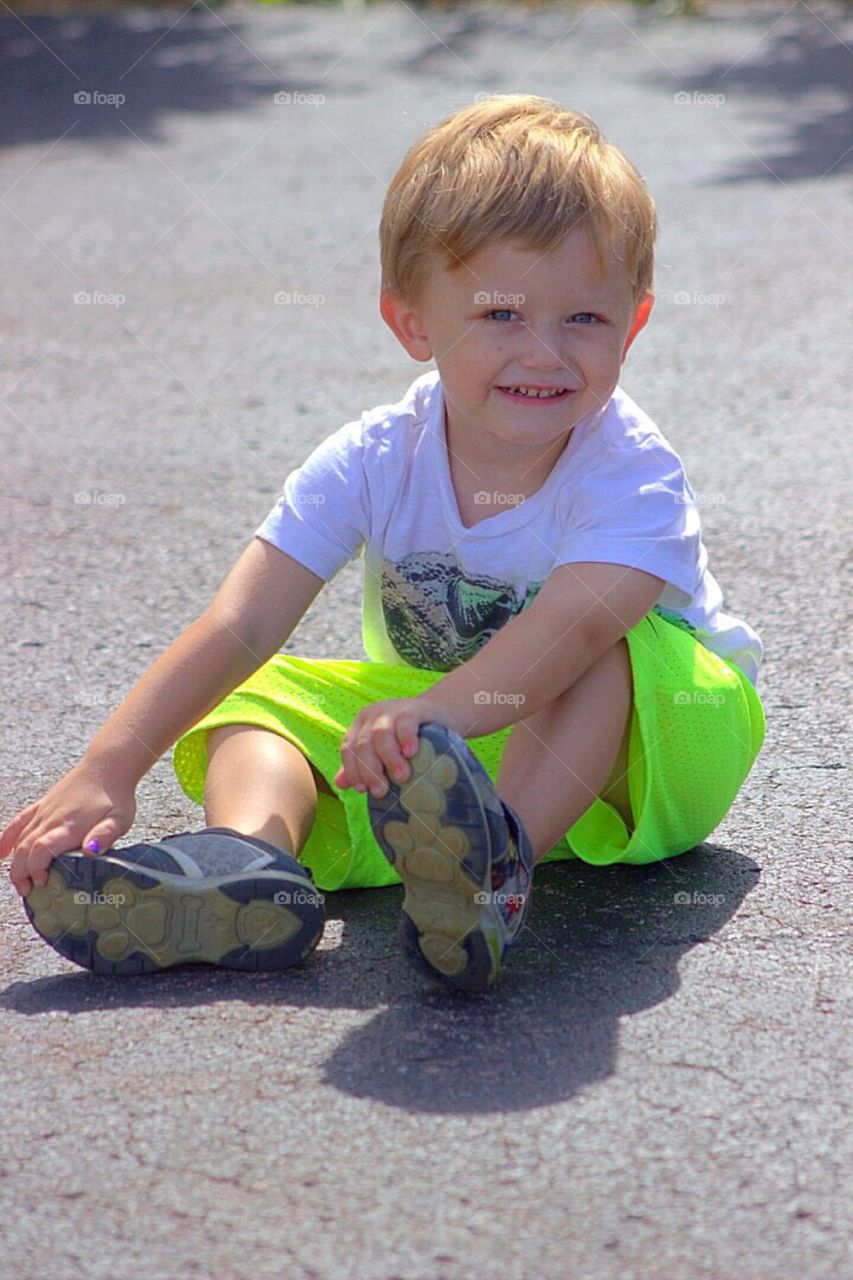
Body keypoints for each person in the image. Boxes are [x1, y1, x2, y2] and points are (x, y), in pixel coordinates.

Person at [1, 94, 766, 993]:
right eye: (499, 316)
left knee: (599, 650)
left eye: (584, 320)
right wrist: (109, 767)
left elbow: (575, 629)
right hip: (465, 738)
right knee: (264, 694)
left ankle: (493, 866)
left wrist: (436, 714)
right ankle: (246, 865)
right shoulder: (372, 458)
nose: (544, 353)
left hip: (665, 746)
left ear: (632, 323)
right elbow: (243, 621)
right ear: (412, 323)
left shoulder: (627, 469)